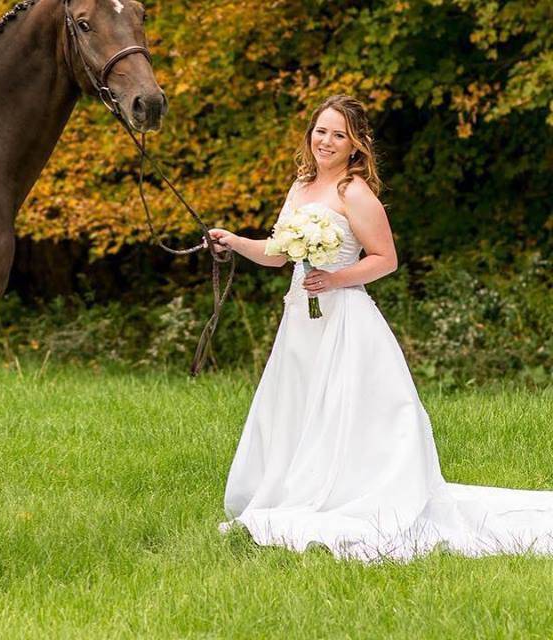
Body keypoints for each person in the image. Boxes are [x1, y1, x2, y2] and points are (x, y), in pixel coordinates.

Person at [208, 94, 553, 562]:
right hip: (301, 323)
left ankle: (348, 493)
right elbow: (276, 253)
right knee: (300, 407)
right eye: (320, 130)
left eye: (338, 134)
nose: (326, 141)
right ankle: (294, 489)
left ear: (355, 145)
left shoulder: (355, 192)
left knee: (345, 411)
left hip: (345, 320)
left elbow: (385, 260)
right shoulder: (301, 186)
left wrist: (333, 279)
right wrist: (234, 242)